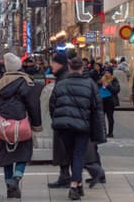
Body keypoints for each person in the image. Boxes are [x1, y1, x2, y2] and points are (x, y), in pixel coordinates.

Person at [50, 56, 105, 201]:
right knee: (78, 154)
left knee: (72, 154)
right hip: (83, 125)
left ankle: (77, 183)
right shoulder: (90, 84)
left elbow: (52, 104)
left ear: (69, 68)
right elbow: (97, 106)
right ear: (82, 68)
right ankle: (75, 185)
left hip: (64, 127)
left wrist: (57, 120)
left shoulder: (61, 84)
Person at [0, 53, 42, 199]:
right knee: (24, 151)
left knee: (6, 155)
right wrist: (36, 124)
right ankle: (17, 177)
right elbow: (32, 105)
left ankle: (10, 187)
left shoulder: (1, 82)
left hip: (3, 123)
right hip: (21, 121)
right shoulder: (26, 81)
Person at [46, 53, 73, 190]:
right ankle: (65, 176)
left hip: (64, 120)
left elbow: (57, 100)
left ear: (60, 64)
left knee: (66, 150)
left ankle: (68, 178)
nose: (51, 65)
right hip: (63, 119)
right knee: (65, 150)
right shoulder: (62, 77)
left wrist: (56, 116)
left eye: (53, 62)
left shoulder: (64, 79)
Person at [99, 72, 120, 138]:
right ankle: (102, 132)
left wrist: (107, 85)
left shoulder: (114, 80)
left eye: (108, 72)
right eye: (105, 72)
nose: (106, 74)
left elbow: (116, 90)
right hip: (101, 100)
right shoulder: (101, 79)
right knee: (101, 117)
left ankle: (110, 133)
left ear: (111, 74)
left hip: (110, 101)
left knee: (110, 117)